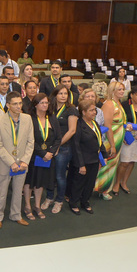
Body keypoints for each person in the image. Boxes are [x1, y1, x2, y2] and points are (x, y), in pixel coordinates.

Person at [0, 92, 33, 228]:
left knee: (18, 191)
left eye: (20, 103)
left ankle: (16, 215)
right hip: (6, 163)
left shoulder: (27, 119)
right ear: (8, 105)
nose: (18, 106)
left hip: (22, 163)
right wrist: (11, 162)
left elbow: (30, 142)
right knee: (1, 192)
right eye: (15, 104)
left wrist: (25, 160)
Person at [69, 99, 114, 215]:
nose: (94, 112)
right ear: (83, 112)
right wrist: (81, 165)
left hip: (94, 159)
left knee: (90, 183)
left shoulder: (94, 124)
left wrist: (104, 155)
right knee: (78, 183)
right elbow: (76, 146)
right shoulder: (78, 125)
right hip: (83, 161)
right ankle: (73, 203)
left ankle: (85, 202)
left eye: (95, 110)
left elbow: (99, 141)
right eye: (91, 110)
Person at [41, 85, 79, 214]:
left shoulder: (71, 109)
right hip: (50, 147)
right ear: (55, 95)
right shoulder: (50, 108)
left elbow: (72, 130)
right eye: (60, 93)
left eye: (65, 94)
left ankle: (59, 200)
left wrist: (57, 146)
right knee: (49, 175)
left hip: (64, 148)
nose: (63, 96)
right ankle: (49, 197)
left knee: (59, 176)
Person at [25, 93, 60, 220]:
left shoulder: (52, 118)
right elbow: (28, 139)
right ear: (35, 105)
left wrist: (51, 152)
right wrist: (42, 153)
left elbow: (58, 138)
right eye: (42, 103)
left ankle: (37, 205)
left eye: (47, 103)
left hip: (48, 156)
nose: (45, 105)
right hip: (33, 155)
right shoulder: (29, 119)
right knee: (29, 181)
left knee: (41, 182)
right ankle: (27, 206)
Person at [95, 81, 126, 200]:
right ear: (112, 91)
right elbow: (107, 125)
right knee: (105, 164)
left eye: (123, 89)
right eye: (119, 89)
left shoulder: (118, 103)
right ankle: (101, 188)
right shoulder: (109, 104)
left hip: (118, 139)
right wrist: (112, 145)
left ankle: (104, 188)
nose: (122, 91)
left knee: (111, 164)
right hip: (110, 140)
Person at [117, 86, 137, 195]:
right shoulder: (124, 105)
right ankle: (117, 183)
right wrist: (124, 135)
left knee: (132, 161)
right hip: (127, 134)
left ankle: (124, 182)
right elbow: (119, 121)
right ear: (132, 95)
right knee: (124, 162)